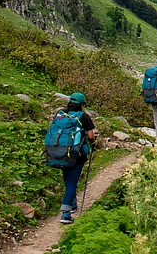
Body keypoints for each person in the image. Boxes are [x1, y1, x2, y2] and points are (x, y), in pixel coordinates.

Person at [59, 92, 95, 224]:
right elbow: (90, 136)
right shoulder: (84, 117)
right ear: (82, 104)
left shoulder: (61, 114)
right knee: (72, 182)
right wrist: (93, 144)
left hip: (60, 152)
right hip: (76, 154)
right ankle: (66, 214)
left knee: (68, 180)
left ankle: (72, 205)